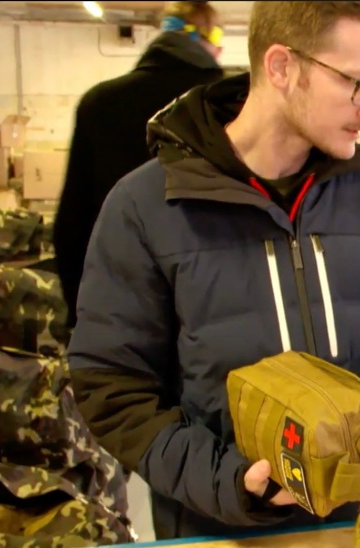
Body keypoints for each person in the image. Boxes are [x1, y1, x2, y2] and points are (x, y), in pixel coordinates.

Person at [67, 1, 360, 540]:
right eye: (355, 84)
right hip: (223, 538)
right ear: (281, 68)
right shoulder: (146, 207)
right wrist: (224, 481)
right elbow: (110, 386)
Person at [53, 0, 225, 328]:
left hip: (118, 303)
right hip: (210, 311)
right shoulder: (228, 104)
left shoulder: (100, 103)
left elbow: (71, 225)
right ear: (208, 39)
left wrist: (82, 318)